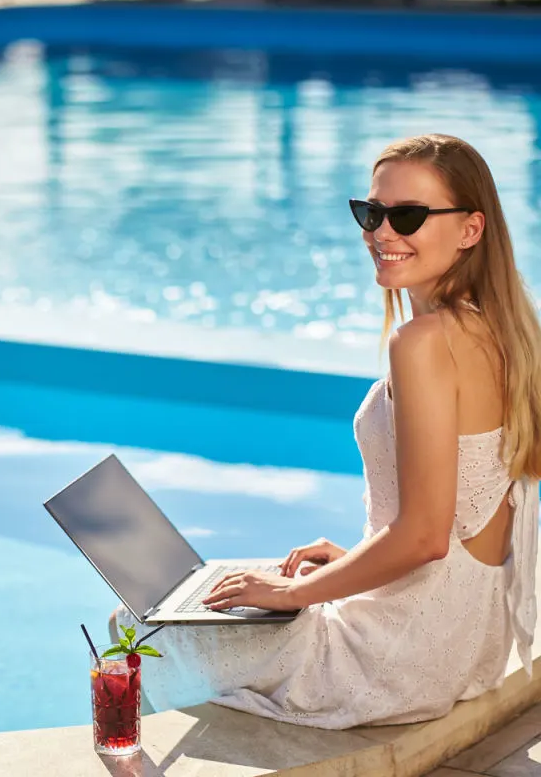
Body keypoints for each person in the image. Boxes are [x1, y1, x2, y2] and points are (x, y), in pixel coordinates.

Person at [110, 133, 541, 729]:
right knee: (200, 606)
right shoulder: (500, 331)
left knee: (138, 627)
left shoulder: (423, 343)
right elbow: (469, 520)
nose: (382, 234)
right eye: (371, 213)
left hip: (396, 663)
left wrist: (290, 596)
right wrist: (351, 566)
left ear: (471, 228)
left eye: (408, 216)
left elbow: (425, 538)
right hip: (461, 647)